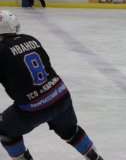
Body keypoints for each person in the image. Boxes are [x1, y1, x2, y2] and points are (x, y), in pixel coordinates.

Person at [0, 10, 103, 160]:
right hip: (61, 96)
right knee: (70, 131)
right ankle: (95, 157)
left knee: (4, 130)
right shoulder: (31, 39)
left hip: (33, 108)